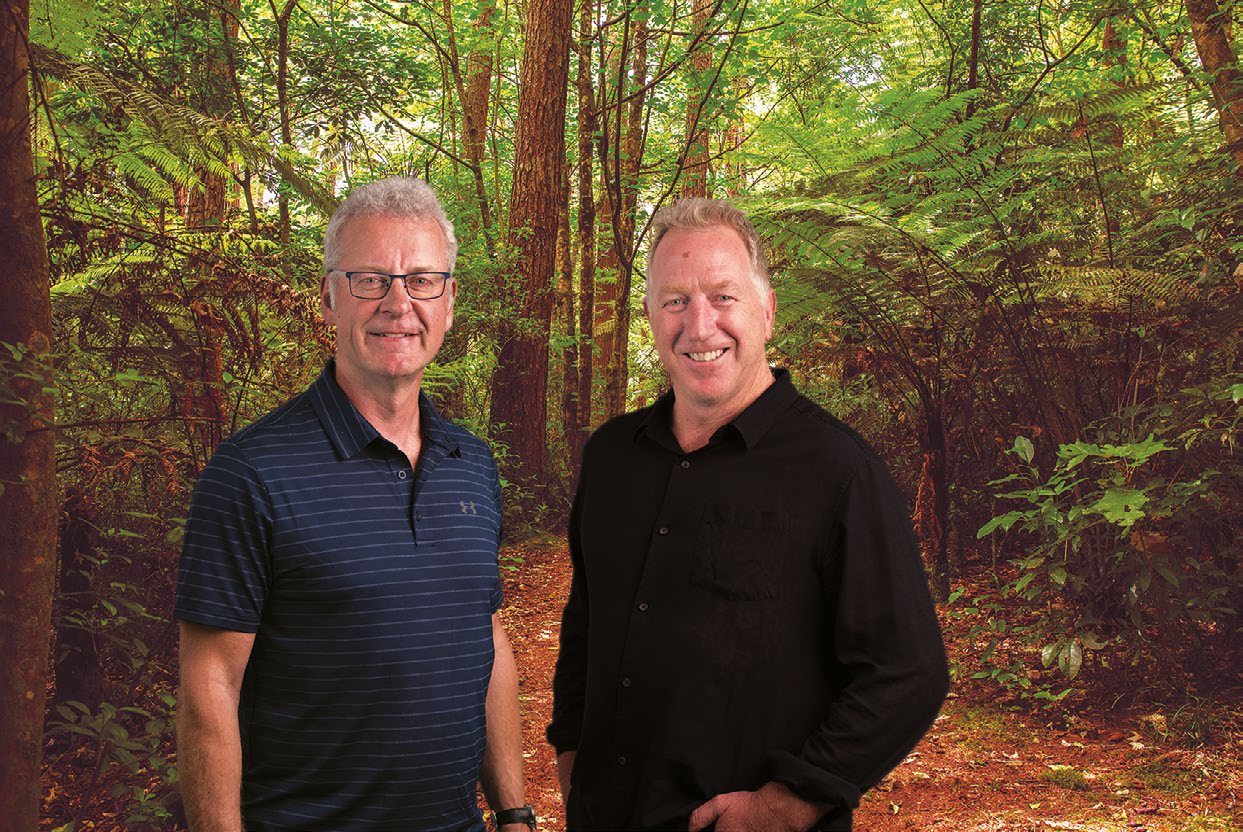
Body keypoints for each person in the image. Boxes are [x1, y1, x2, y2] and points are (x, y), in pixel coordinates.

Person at [547, 198, 949, 831]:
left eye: (723, 297)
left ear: (766, 310)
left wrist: (791, 803)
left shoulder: (838, 471)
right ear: (650, 315)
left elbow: (909, 671)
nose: (699, 325)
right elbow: (588, 618)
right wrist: (571, 750)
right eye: (674, 300)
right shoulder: (612, 457)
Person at [175, 177, 534, 832]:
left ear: (449, 302)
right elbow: (209, 691)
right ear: (329, 297)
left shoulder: (473, 466)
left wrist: (512, 810)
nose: (399, 303)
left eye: (422, 280)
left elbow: (483, 640)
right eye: (370, 279)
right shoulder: (251, 472)